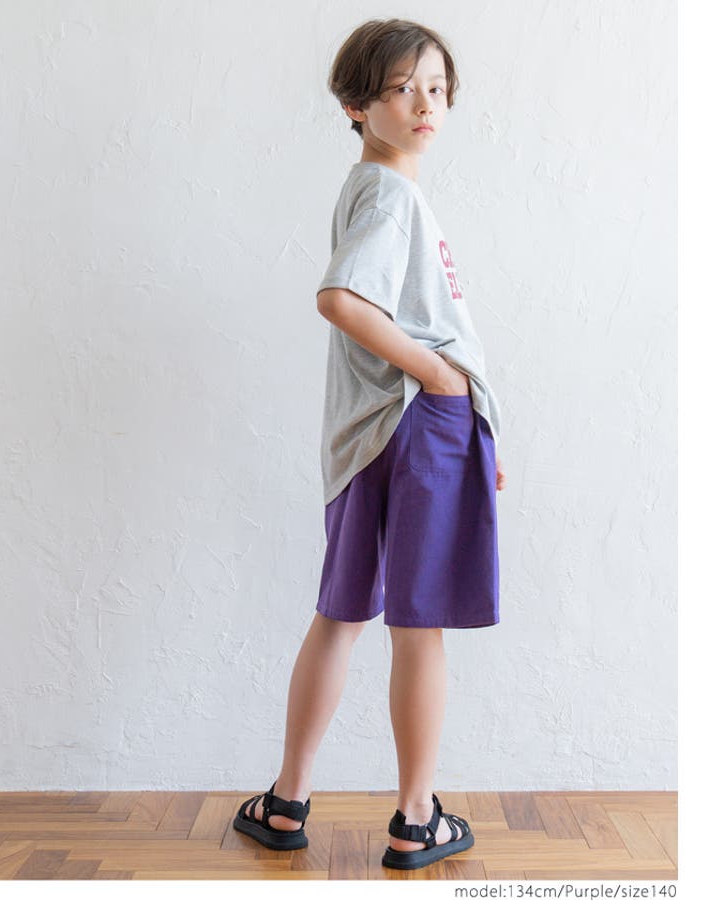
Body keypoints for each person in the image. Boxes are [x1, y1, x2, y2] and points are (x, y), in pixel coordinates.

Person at [233, 17, 507, 872]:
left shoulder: (370, 189)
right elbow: (342, 299)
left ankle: (286, 803)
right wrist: (443, 381)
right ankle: (415, 820)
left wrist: (466, 409)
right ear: (356, 105)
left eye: (436, 88)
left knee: (341, 615)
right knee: (419, 628)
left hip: (372, 435)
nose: (424, 103)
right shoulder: (391, 196)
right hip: (419, 423)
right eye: (401, 88)